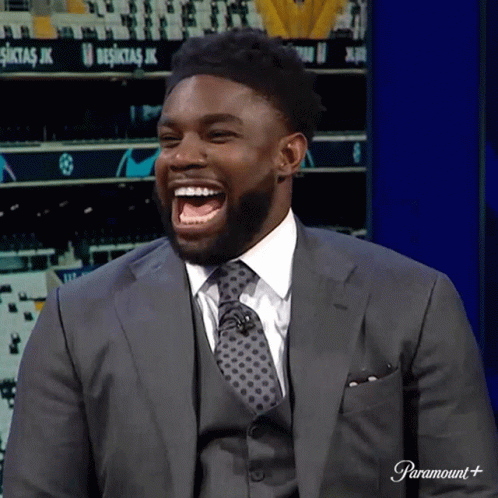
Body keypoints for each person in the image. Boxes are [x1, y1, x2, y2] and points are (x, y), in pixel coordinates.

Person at [4, 28, 498, 497]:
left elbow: (462, 483)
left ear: (288, 155)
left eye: (218, 136)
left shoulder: (413, 302)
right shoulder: (78, 320)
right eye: (170, 140)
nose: (182, 157)